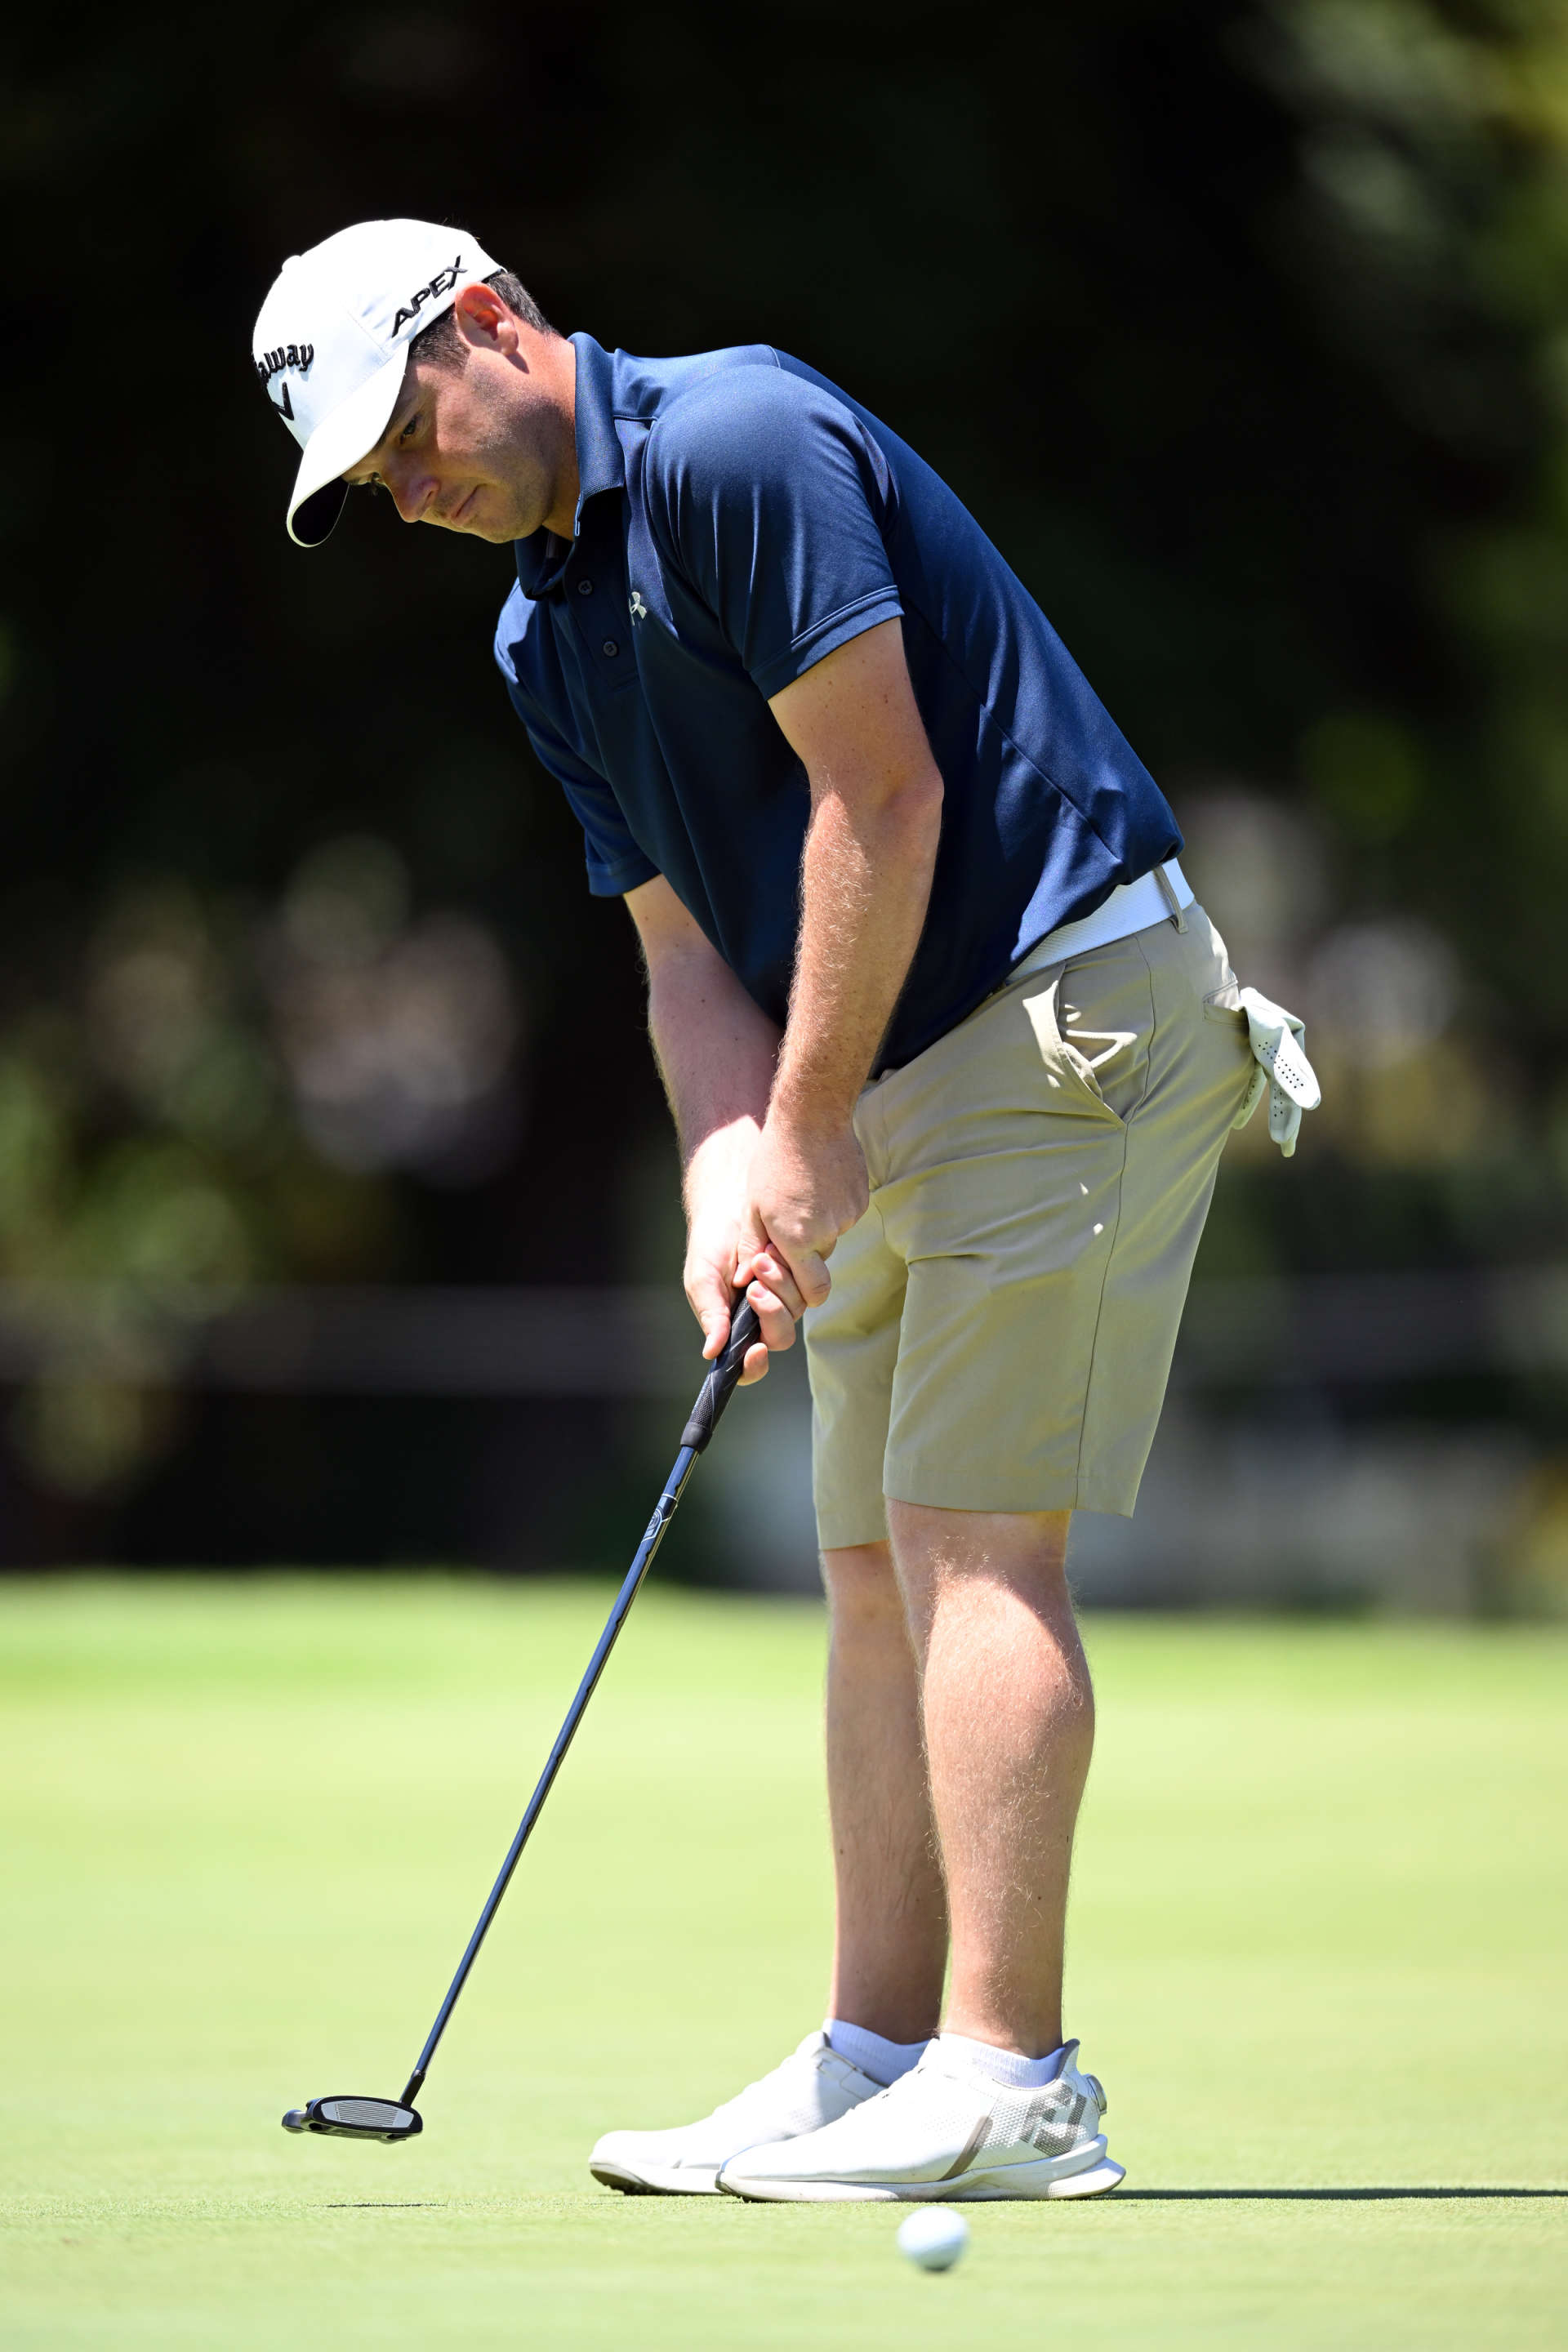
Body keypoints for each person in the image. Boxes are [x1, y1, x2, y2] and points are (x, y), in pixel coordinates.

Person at [252, 217, 1316, 2204]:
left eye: (410, 434)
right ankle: (877, 2053)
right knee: (864, 1564)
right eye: (376, 484)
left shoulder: (739, 442)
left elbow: (885, 801)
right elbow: (678, 957)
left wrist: (804, 1127)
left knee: (968, 1541)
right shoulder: (536, 637)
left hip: (1061, 1010)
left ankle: (1019, 2083)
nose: (413, 493)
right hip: (893, 1061)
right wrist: (724, 1172)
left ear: (493, 324)